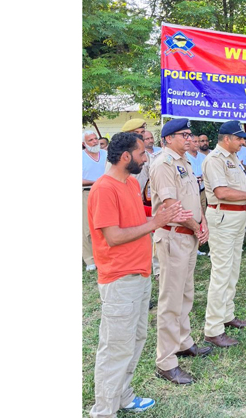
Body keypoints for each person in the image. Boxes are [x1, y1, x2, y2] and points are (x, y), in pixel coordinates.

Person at [87, 132, 191, 417]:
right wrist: (156, 221)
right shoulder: (104, 189)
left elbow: (135, 220)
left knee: (135, 341)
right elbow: (114, 236)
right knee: (115, 349)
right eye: (142, 154)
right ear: (125, 157)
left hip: (140, 274)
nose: (146, 158)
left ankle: (123, 396)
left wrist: (163, 217)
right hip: (120, 280)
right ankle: (104, 410)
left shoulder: (131, 182)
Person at [150, 118, 213, 385]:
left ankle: (183, 342)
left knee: (186, 293)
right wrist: (197, 226)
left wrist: (203, 222)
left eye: (189, 134)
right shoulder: (163, 164)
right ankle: (166, 361)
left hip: (188, 235)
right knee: (170, 300)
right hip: (174, 236)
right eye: (183, 134)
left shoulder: (184, 162)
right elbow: (173, 206)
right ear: (167, 139)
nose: (189, 138)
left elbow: (195, 199)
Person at [202, 121, 246, 348]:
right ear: (227, 138)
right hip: (223, 217)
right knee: (221, 272)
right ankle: (213, 329)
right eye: (240, 138)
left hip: (236, 217)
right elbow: (221, 191)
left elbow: (243, 187)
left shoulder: (232, 159)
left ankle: (227, 315)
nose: (243, 142)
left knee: (232, 269)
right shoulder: (214, 160)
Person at [83, 130, 108, 271]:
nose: (95, 141)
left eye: (95, 138)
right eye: (90, 140)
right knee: (87, 227)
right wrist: (97, 182)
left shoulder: (106, 155)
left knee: (105, 224)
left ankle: (104, 255)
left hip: (106, 193)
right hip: (87, 193)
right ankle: (90, 260)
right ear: (84, 144)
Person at [185, 135, 208, 249]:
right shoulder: (185, 157)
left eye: (198, 141)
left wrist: (203, 177)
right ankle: (195, 242)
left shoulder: (203, 157)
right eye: (195, 141)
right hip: (190, 191)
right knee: (193, 214)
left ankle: (202, 240)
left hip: (202, 190)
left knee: (202, 214)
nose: (197, 143)